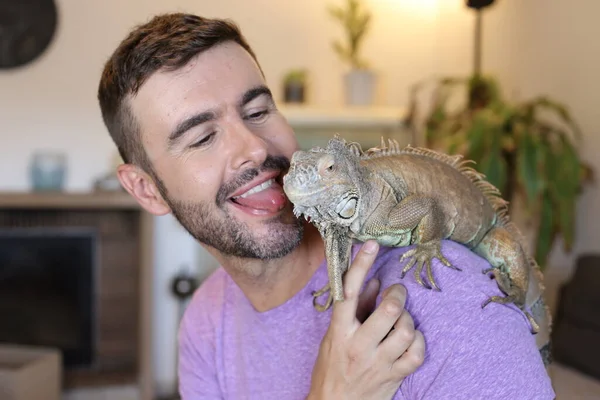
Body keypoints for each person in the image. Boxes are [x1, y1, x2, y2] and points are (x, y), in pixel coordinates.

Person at [97, 12, 556, 400]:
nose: (254, 148)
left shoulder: (439, 293)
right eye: (202, 137)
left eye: (257, 112)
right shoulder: (204, 322)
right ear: (146, 190)